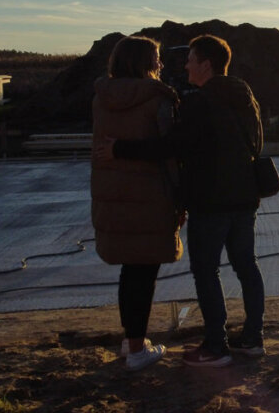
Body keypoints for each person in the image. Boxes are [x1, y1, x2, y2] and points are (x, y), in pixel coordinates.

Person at [104, 34, 266, 368]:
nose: (186, 65)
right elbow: (257, 143)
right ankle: (253, 338)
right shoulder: (245, 95)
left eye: (191, 59)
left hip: (210, 201)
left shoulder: (198, 102)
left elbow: (172, 146)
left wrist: (119, 148)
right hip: (245, 198)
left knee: (206, 272)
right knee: (246, 266)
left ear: (206, 64)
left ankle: (216, 346)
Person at [91, 36, 182, 372]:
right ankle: (136, 349)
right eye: (156, 58)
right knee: (144, 273)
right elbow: (169, 150)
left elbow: (101, 148)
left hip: (113, 194)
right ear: (145, 62)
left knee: (130, 272)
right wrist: (179, 198)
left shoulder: (101, 99)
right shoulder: (158, 99)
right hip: (150, 197)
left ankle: (131, 340)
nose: (160, 64)